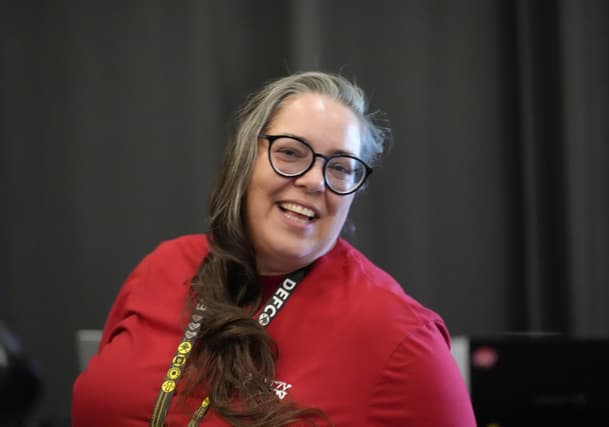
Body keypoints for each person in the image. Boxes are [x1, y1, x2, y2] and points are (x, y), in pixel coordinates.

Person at [71, 71, 476, 426]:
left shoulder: (400, 336)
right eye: (290, 153)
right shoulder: (163, 267)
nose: (315, 181)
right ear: (244, 159)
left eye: (340, 168)